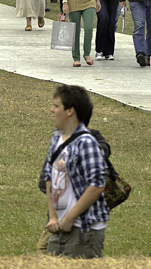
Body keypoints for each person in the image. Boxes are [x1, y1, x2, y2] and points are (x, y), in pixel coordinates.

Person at [43, 85, 109, 258]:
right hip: (59, 226)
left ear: (70, 111)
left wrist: (71, 217)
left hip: (83, 230)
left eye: (56, 106)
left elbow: (97, 185)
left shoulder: (86, 142)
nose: (52, 110)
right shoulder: (56, 137)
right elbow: (48, 177)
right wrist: (53, 217)